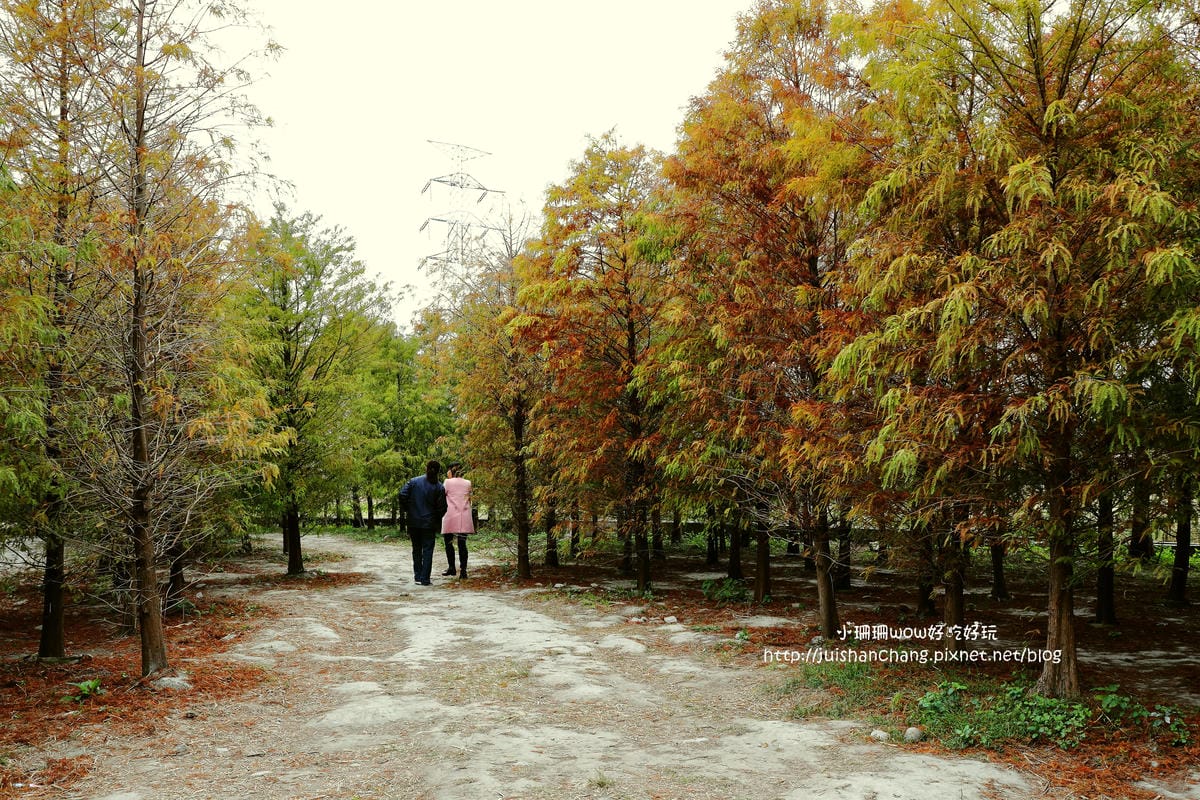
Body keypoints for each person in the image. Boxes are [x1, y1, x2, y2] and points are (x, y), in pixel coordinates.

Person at [399, 460, 447, 585]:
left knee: (416, 549)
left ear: (426, 468)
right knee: (427, 550)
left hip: (413, 521)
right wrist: (436, 519)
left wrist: (409, 509)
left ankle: (418, 576)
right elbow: (442, 508)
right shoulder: (439, 487)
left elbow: (402, 494)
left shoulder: (414, 481)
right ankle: (425, 578)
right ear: (438, 471)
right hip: (429, 523)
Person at [441, 463, 474, 579]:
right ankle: (463, 571)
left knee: (448, 542)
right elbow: (469, 498)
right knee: (462, 543)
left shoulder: (447, 482)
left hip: (450, 515)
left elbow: (442, 495)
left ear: (450, 471)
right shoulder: (468, 483)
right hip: (463, 516)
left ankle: (452, 568)